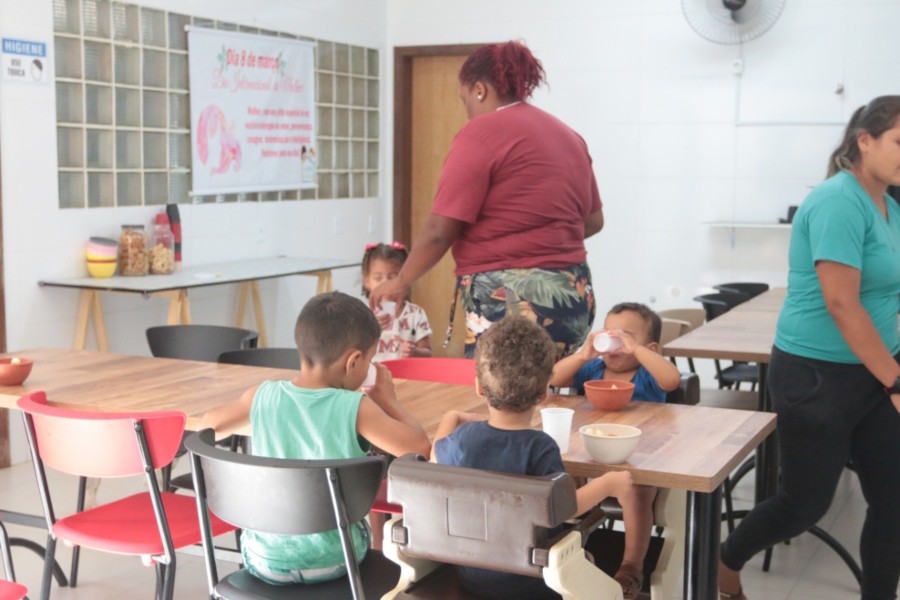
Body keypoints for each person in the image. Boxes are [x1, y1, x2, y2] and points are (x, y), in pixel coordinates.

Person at [719, 96, 900, 600]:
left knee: (893, 502)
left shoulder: (891, 202)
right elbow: (842, 304)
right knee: (803, 506)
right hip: (817, 377)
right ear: (864, 141)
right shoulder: (839, 201)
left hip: (876, 371)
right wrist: (896, 379)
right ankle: (725, 559)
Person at [369, 40, 603, 359]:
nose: (467, 111)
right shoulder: (568, 135)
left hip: (514, 303)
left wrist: (400, 281)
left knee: (498, 398)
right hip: (574, 298)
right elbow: (592, 221)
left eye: (464, 100)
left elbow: (440, 231)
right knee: (550, 394)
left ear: (478, 89)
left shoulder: (480, 134)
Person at [201, 291, 431, 586]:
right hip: (335, 559)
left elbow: (210, 426)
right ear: (353, 361)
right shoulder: (357, 408)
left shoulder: (263, 396)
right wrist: (390, 401)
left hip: (263, 559)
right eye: (370, 360)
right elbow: (419, 447)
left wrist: (267, 418)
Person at [432, 316, 633, 600]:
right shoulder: (539, 446)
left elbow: (433, 456)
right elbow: (564, 508)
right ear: (543, 393)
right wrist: (610, 484)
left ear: (479, 387)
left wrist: (451, 417)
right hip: (534, 582)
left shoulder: (463, 440)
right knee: (586, 561)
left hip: (472, 575)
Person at [549, 302, 681, 599]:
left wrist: (637, 350)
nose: (616, 343)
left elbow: (672, 379)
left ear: (650, 347)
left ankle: (632, 565)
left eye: (627, 336)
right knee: (561, 475)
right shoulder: (592, 368)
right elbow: (554, 379)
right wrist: (584, 353)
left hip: (637, 459)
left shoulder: (648, 373)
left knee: (636, 493)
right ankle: (572, 549)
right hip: (589, 453)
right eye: (611, 334)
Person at [361, 241, 433, 361]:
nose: (386, 284)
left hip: (406, 378)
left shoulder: (415, 314)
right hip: (375, 378)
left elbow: (428, 353)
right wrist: (371, 330)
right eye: (378, 278)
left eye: (393, 277)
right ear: (367, 281)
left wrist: (414, 352)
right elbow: (353, 352)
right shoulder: (362, 315)